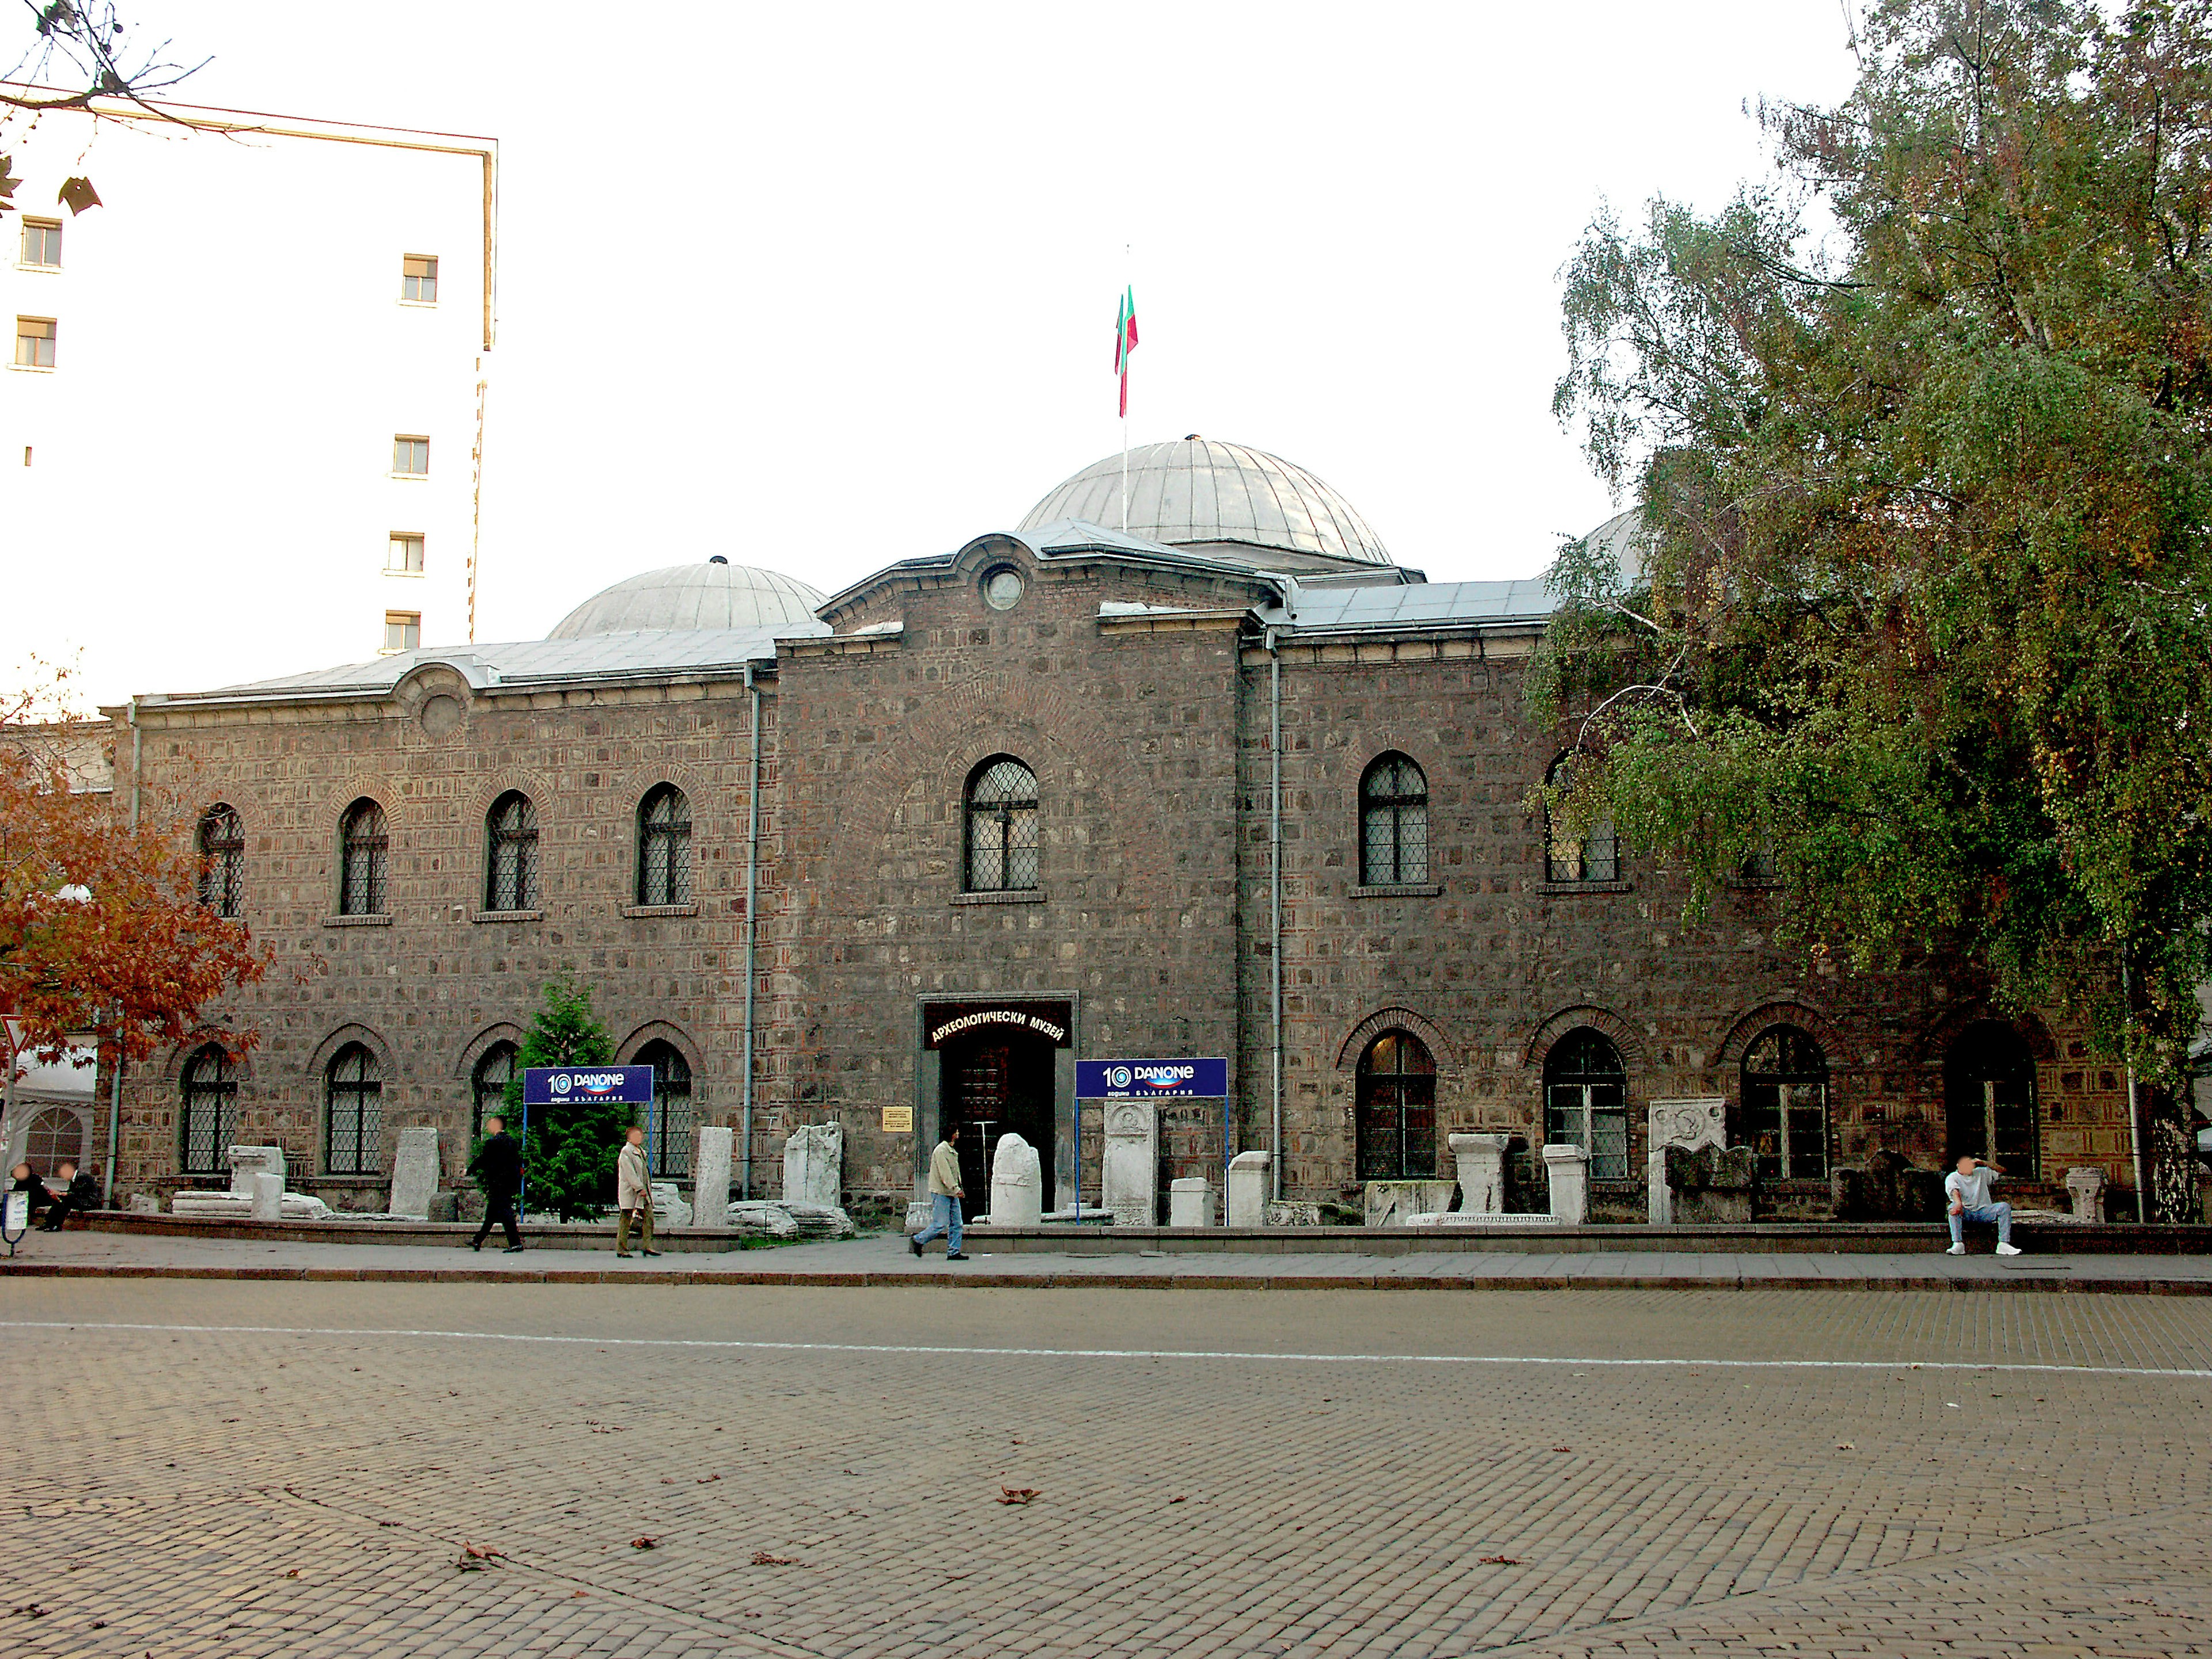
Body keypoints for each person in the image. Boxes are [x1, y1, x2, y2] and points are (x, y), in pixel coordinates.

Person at [467, 1115, 525, 1253]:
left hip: (497, 1182)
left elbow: (483, 1159)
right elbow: (517, 1161)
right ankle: (477, 1241)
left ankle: (516, 1244)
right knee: (492, 1213)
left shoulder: (492, 1143)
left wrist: (469, 1170)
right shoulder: (512, 1142)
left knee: (506, 1213)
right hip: (509, 1182)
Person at [910, 1126, 967, 1260]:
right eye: (956, 1131)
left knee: (957, 1223)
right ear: (952, 1134)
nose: (958, 1133)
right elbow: (945, 1173)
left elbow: (955, 1173)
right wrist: (956, 1189)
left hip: (951, 1192)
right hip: (942, 1192)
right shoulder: (941, 1151)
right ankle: (918, 1240)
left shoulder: (951, 1150)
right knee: (940, 1224)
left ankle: (954, 1252)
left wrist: (958, 1188)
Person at [1945, 1154, 2022, 1256]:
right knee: (1952, 1208)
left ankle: (2004, 1244)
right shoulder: (1953, 1177)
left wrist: (1984, 1163)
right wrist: (1958, 1204)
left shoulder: (1982, 1172)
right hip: (1965, 1212)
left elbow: (2002, 1170)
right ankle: (1958, 1244)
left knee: (2004, 1207)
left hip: (1983, 1211)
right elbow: (1954, 1191)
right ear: (1958, 1166)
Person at [615, 1123, 658, 1257]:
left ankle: (648, 1247)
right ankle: (621, 1249)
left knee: (649, 1218)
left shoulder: (640, 1151)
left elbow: (644, 1173)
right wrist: (640, 1188)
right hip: (631, 1192)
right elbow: (630, 1173)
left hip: (643, 1192)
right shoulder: (626, 1152)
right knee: (626, 1219)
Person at [36, 1160, 101, 1231]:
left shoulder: (83, 1177)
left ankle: (57, 1225)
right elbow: (71, 1192)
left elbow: (79, 1192)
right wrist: (59, 1194)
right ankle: (49, 1223)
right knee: (58, 1200)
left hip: (89, 1202)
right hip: (81, 1200)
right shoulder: (74, 1179)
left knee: (66, 1202)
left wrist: (61, 1193)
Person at [8, 1161, 55, 1229]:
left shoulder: (27, 1181)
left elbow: (18, 1192)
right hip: (39, 1199)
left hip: (37, 1200)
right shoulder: (32, 1178)